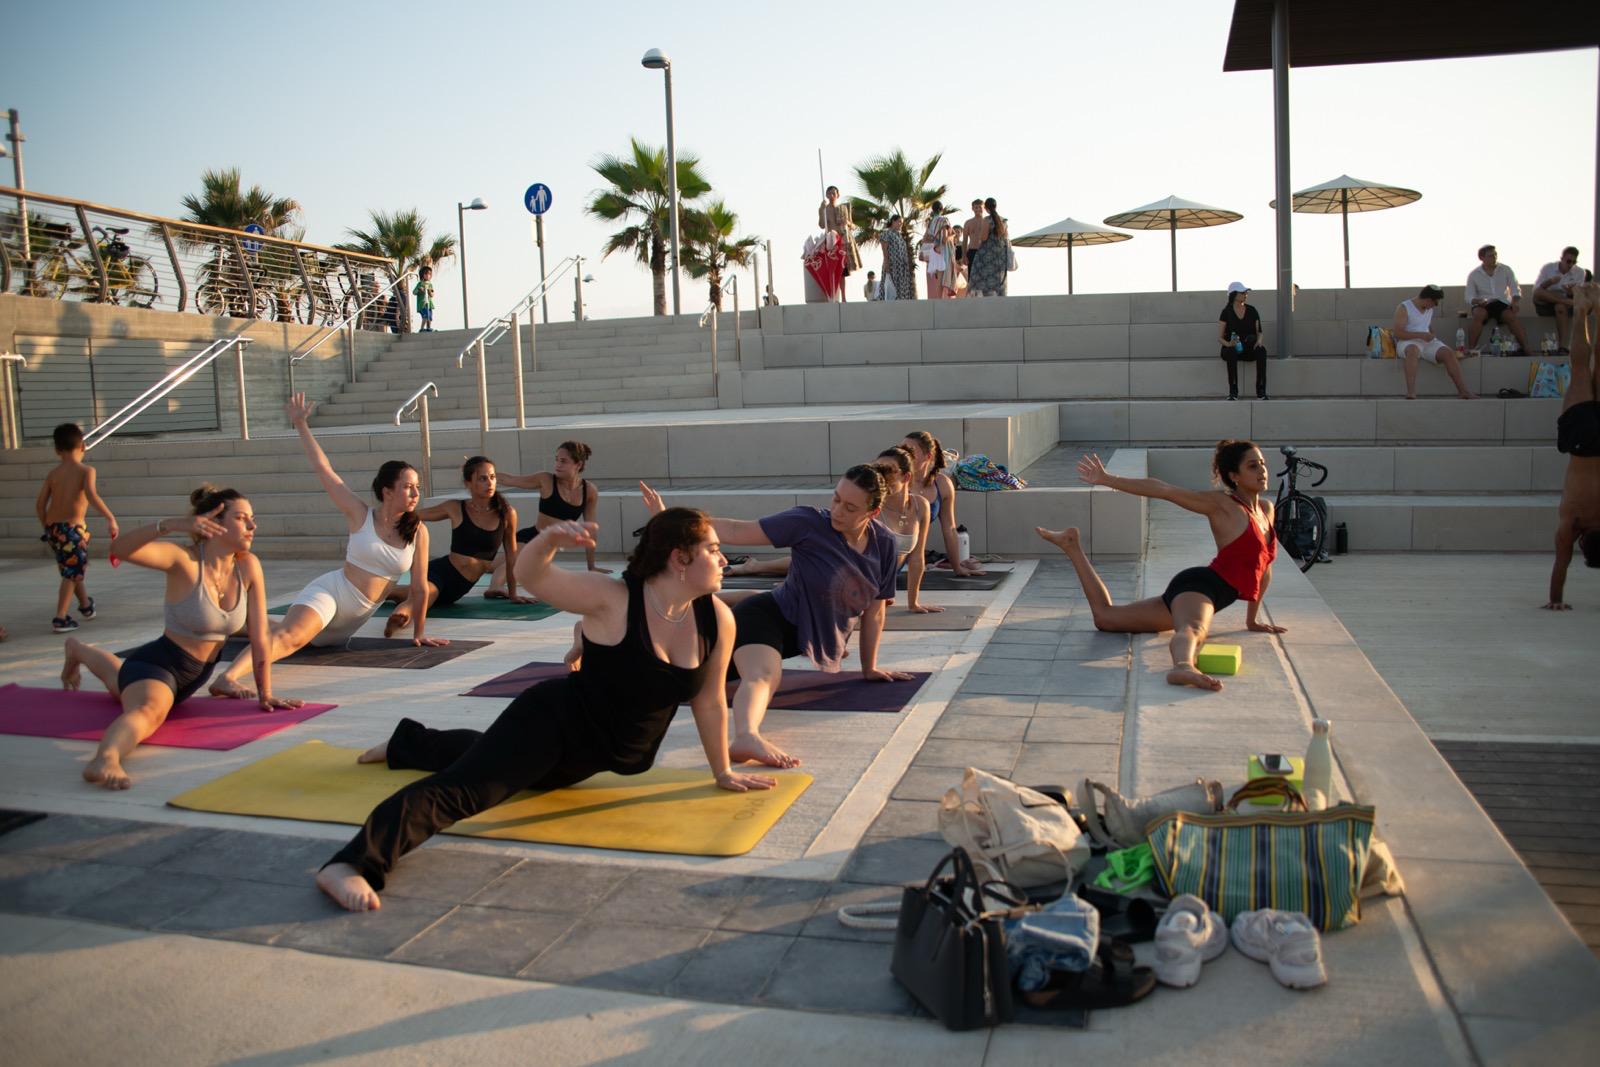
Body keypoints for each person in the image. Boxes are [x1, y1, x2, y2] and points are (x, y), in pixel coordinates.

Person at [313, 509, 778, 912]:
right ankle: (351, 863)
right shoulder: (612, 598)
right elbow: (535, 576)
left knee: (505, 766)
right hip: (551, 724)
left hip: (588, 756)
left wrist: (721, 771)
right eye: (713, 550)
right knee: (468, 790)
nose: (723, 559)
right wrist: (550, 540)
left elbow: (710, 699)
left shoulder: (716, 617)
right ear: (679, 559)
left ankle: (409, 742)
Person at [638, 466, 909, 769]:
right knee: (764, 677)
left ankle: (610, 648)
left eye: (850, 507)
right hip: (766, 617)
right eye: (835, 499)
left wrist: (868, 667)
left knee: (680, 678)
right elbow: (738, 530)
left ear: (872, 513)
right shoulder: (808, 523)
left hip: (793, 638)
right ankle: (746, 737)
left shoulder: (884, 544)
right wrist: (670, 521)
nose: (837, 511)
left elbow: (875, 610)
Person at [61, 487, 301, 789]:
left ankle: (77, 649)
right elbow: (119, 549)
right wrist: (170, 525)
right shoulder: (183, 561)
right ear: (213, 523)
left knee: (118, 680)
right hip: (158, 665)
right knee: (147, 711)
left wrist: (265, 692)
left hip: (190, 679)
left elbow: (260, 635)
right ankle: (105, 759)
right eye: (242, 518)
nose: (252, 526)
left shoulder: (248, 565)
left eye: (252, 519)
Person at [210, 394, 442, 699]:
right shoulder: (360, 514)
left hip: (348, 625)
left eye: (417, 487)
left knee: (286, 632)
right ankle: (227, 678)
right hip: (331, 592)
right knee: (290, 636)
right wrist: (301, 424)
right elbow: (324, 469)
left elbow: (420, 587)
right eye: (408, 486)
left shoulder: (418, 531)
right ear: (387, 491)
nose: (415, 493)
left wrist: (419, 632)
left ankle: (233, 622)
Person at [1036, 441, 1288, 692]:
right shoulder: (1223, 506)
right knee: (1193, 629)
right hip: (1201, 588)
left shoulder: (1266, 510)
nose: (1262, 470)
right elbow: (1164, 490)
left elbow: (1264, 566)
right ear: (1234, 476)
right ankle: (1183, 666)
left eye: (1263, 464)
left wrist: (1252, 620)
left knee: (1106, 618)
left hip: (1204, 594)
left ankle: (1071, 546)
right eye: (1253, 466)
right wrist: (1107, 479)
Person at [381, 456, 530, 636]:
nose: (489, 483)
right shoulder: (455, 508)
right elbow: (417, 515)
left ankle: (382, 592)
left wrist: (513, 593)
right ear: (468, 483)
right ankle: (397, 620)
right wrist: (386, 518)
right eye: (482, 478)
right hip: (441, 572)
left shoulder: (506, 513)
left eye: (492, 477)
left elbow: (511, 555)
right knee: (423, 596)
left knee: (401, 594)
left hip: (457, 590)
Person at [485, 441, 607, 594]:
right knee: (513, 562)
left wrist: (592, 566)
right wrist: (482, 474)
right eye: (556, 459)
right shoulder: (546, 480)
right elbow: (510, 479)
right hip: (531, 537)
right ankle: (495, 587)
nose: (557, 464)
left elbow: (591, 531)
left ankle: (481, 565)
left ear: (578, 464)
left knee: (489, 566)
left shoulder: (589, 491)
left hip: (548, 547)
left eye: (563, 461)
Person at [36, 422, 118, 633]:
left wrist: (47, 524)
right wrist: (110, 518)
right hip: (73, 530)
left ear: (57, 450)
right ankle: (60, 618)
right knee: (71, 573)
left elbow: (40, 503)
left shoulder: (53, 474)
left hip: (54, 529)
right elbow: (91, 495)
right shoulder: (86, 470)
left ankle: (85, 606)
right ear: (83, 445)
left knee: (71, 568)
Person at [1547, 283, 1600, 609]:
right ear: (1582, 542)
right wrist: (1555, 600)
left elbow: (1561, 566)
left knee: (1586, 368)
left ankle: (1591, 310)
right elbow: (1560, 566)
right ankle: (1581, 311)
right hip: (1580, 443)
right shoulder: (1573, 523)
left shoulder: (1579, 521)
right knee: (1580, 367)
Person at [902, 430, 981, 576]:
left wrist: (957, 567)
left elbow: (950, 529)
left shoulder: (942, 484)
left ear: (928, 456)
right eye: (901, 450)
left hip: (911, 555)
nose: (903, 455)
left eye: (910, 451)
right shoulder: (897, 481)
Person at [873, 447, 940, 613]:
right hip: (860, 582)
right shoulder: (872, 506)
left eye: (888, 471)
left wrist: (913, 603)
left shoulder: (920, 505)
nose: (882, 477)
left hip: (882, 586)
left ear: (906, 476)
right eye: (878, 470)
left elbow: (917, 558)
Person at [1392, 284, 1473, 400]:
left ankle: (1463, 391)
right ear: (1428, 299)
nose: (1434, 306)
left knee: (1448, 353)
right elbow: (1398, 333)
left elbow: (1426, 325)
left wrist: (1431, 334)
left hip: (1426, 342)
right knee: (1412, 350)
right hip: (1407, 342)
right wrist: (1421, 335)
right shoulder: (1404, 307)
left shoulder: (1428, 308)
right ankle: (1411, 392)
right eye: (1435, 303)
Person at [1465, 243, 1534, 355]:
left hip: (1501, 302)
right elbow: (1469, 296)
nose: (1495, 258)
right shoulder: (1474, 274)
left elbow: (1515, 289)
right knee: (1479, 314)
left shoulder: (1506, 269)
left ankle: (1526, 347)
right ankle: (1472, 349)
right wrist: (1477, 301)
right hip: (1482, 304)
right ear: (1482, 258)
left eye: (1495, 254)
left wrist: (1515, 302)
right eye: (1491, 256)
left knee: (1510, 316)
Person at [1218, 282, 1269, 401]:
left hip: (1248, 348)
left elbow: (1259, 332)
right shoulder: (1226, 312)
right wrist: (1229, 344)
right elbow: (1220, 337)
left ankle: (1261, 391)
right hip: (1232, 347)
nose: (1246, 294)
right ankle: (1233, 392)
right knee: (1230, 352)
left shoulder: (1252, 310)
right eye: (1242, 292)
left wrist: (1259, 341)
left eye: (1246, 292)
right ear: (1234, 294)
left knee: (1261, 351)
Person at [1534, 246, 1583, 353]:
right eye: (1568, 261)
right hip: (1546, 302)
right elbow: (1538, 290)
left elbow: (1579, 295)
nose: (1570, 265)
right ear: (1562, 259)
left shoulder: (1579, 272)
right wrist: (1550, 282)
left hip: (1564, 304)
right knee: (1538, 292)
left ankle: (1562, 347)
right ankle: (1563, 301)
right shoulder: (1548, 268)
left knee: (1560, 307)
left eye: (1574, 262)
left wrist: (1571, 292)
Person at [818, 186, 862, 300]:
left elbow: (853, 226)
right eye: (829, 193)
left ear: (837, 195)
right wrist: (821, 210)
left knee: (843, 271)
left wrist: (847, 222)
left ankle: (843, 297)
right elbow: (822, 225)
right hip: (832, 243)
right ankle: (833, 296)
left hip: (842, 242)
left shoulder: (843, 208)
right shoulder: (825, 210)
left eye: (834, 193)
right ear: (827, 195)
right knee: (832, 270)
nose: (832, 195)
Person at [967, 197, 1010, 297]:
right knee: (998, 279)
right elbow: (1006, 237)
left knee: (980, 277)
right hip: (1000, 255)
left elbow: (984, 237)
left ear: (986, 208)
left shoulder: (987, 220)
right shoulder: (1003, 221)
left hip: (987, 255)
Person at [878, 215, 915, 303]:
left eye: (901, 223)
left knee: (902, 288)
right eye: (899, 222)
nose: (900, 224)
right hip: (892, 265)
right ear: (893, 221)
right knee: (892, 287)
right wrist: (886, 263)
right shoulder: (886, 233)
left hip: (902, 267)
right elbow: (884, 248)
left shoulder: (899, 235)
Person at [921, 203, 952, 300]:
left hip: (933, 250)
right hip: (941, 251)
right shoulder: (944, 220)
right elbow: (944, 239)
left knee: (937, 277)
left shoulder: (931, 222)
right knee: (942, 277)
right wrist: (952, 236)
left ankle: (938, 299)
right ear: (942, 209)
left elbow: (925, 238)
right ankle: (940, 300)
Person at [960, 199, 988, 295]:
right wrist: (964, 255)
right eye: (976, 207)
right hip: (971, 251)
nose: (978, 209)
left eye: (980, 207)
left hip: (984, 251)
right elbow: (964, 240)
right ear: (972, 208)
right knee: (972, 275)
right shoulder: (968, 223)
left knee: (984, 274)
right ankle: (972, 295)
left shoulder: (987, 222)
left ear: (983, 208)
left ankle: (984, 295)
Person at [413, 265, 435, 333]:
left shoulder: (430, 284)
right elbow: (414, 292)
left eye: (429, 274)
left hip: (429, 303)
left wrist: (429, 291)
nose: (428, 275)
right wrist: (420, 290)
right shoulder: (420, 284)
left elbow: (432, 294)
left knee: (430, 317)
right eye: (426, 274)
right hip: (422, 304)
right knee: (425, 316)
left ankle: (428, 328)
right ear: (422, 275)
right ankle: (422, 328)